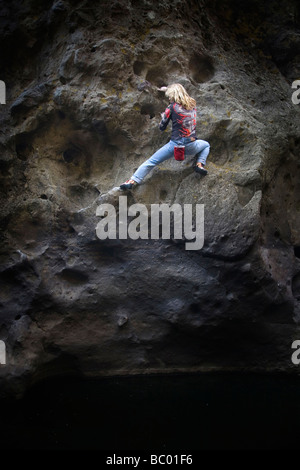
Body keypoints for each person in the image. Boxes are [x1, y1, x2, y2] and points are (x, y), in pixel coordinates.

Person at [120, 83, 210, 190]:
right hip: (191, 145)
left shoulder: (171, 108)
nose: (169, 98)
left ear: (172, 95)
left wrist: (164, 116)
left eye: (169, 96)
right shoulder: (192, 105)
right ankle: (199, 164)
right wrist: (166, 89)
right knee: (206, 145)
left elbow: (162, 127)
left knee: (151, 162)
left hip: (175, 146)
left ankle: (132, 181)